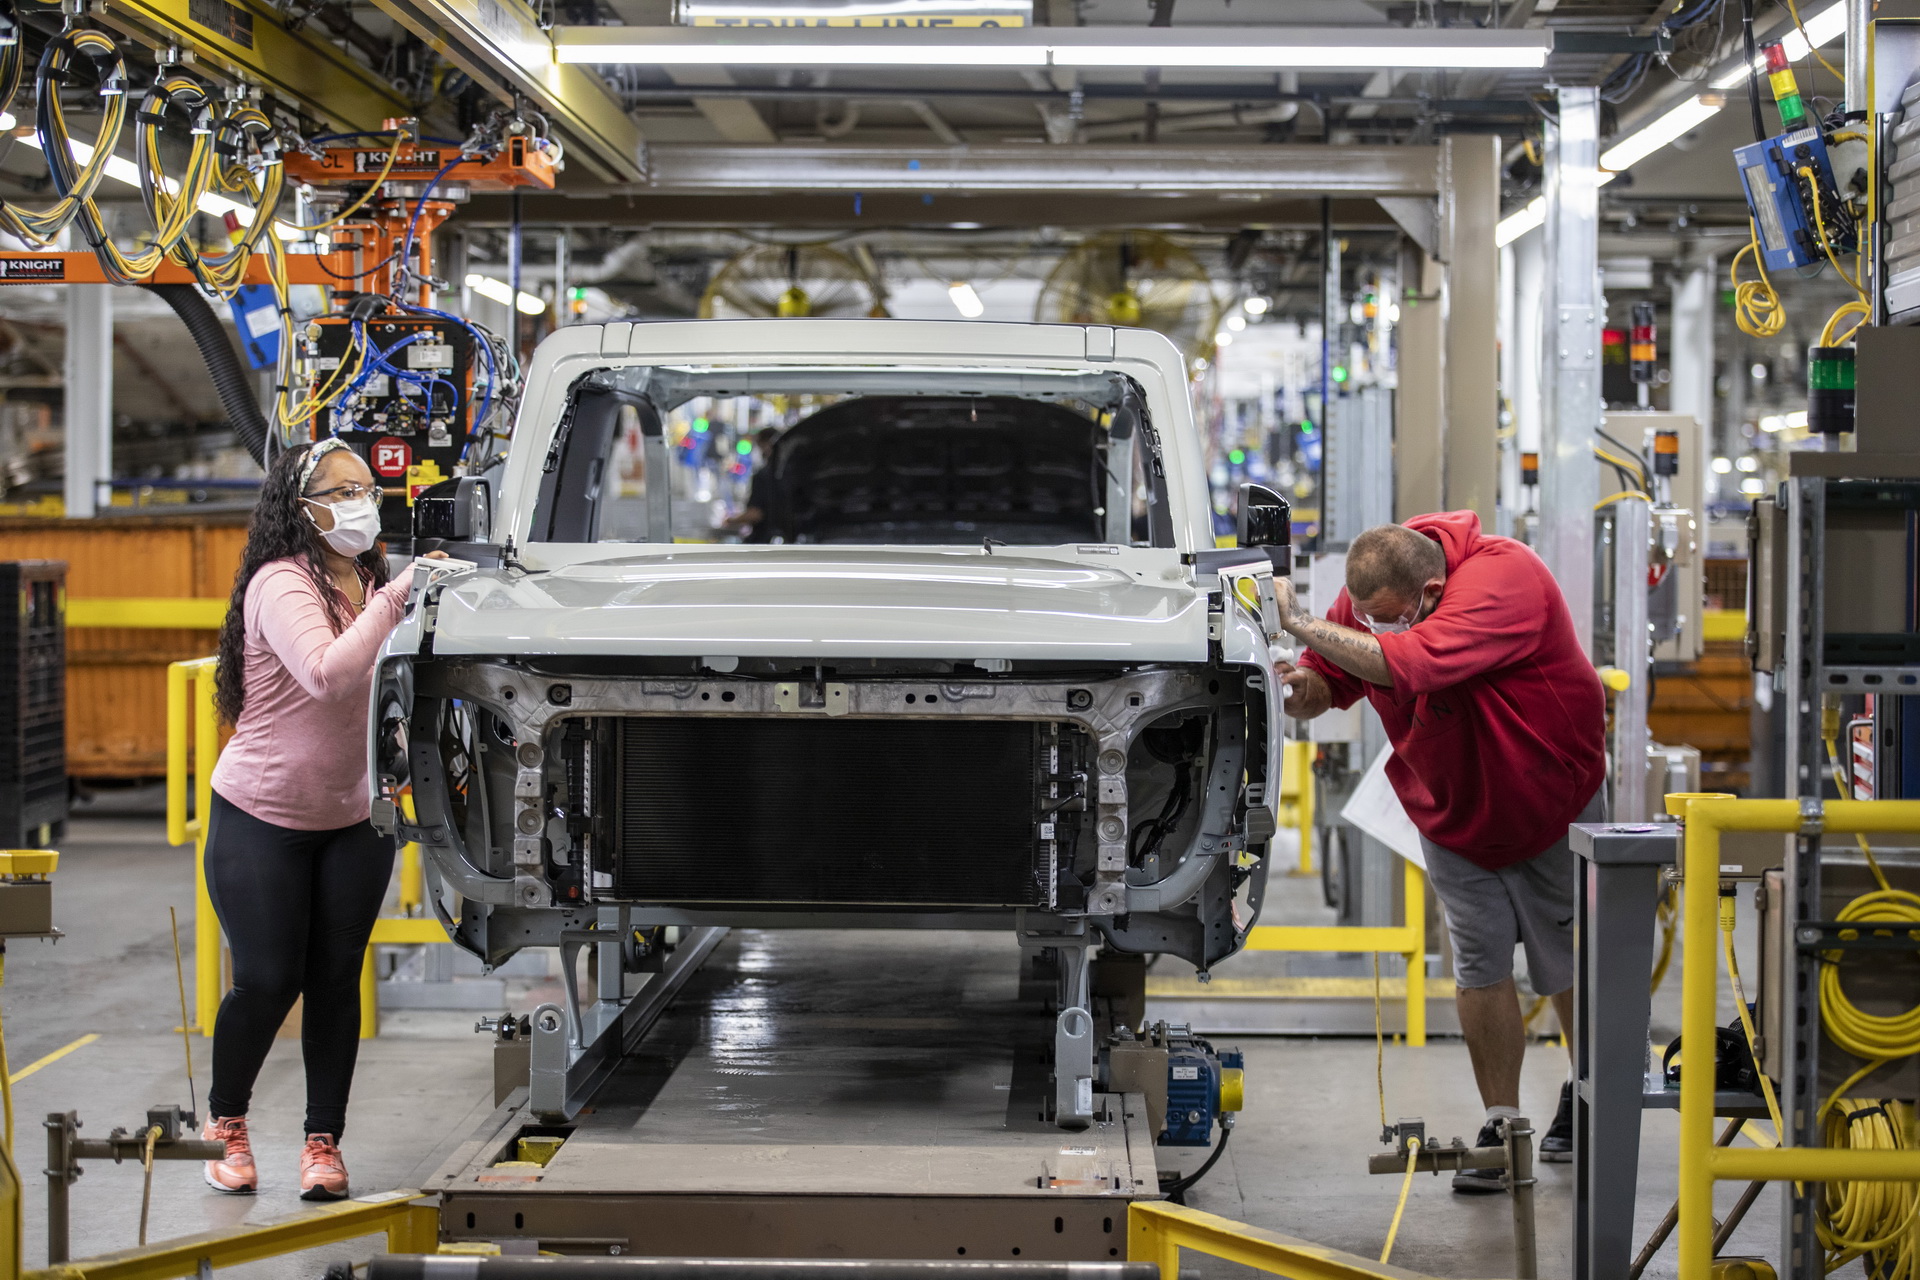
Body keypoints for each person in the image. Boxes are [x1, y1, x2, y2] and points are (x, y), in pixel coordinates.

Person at [1271, 512, 1606, 1192]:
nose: (1376, 626)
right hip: (1451, 807)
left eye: (1390, 616)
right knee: (1479, 962)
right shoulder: (1372, 600)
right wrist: (1286, 683)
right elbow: (1328, 683)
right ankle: (1504, 1125)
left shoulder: (1505, 578)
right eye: (1366, 617)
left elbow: (1412, 665)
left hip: (1547, 800)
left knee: (1567, 955)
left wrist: (1302, 623)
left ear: (1430, 590)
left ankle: (1592, 1093)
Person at [201, 438, 441, 1200]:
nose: (359, 501)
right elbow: (327, 676)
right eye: (340, 490)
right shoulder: (281, 584)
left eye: (366, 487)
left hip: (351, 817)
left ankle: (322, 1143)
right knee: (270, 978)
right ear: (299, 508)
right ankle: (225, 1121)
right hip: (262, 815)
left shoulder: (363, 579)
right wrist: (399, 596)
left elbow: (383, 689)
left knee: (337, 981)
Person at [719, 426, 782, 543]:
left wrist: (731, 521)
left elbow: (756, 513)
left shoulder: (764, 476)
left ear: (765, 445)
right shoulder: (787, 473)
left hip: (763, 539)